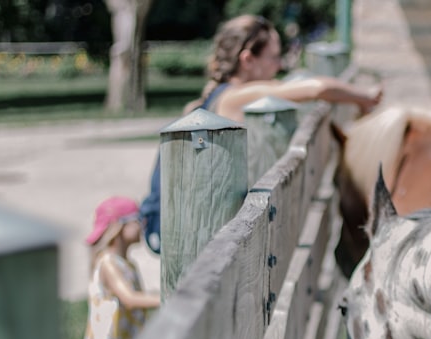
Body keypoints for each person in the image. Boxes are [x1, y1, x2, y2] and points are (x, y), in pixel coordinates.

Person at [140, 14, 383, 253]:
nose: (279, 66)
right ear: (247, 59)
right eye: (274, 57)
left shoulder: (214, 96)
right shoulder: (235, 97)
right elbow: (316, 88)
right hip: (190, 235)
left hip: (187, 224)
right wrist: (364, 97)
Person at [74, 197, 161, 339]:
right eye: (137, 219)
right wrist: (167, 297)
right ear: (119, 226)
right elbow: (130, 299)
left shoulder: (127, 264)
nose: (143, 225)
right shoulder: (108, 263)